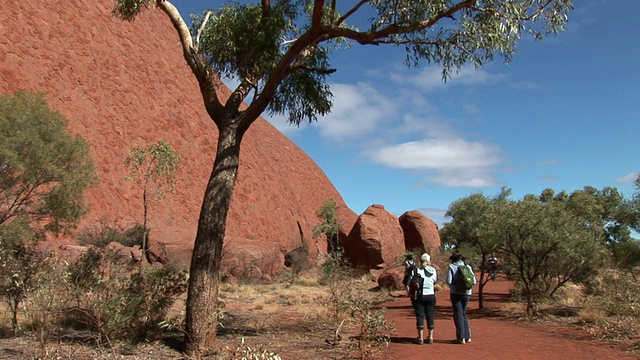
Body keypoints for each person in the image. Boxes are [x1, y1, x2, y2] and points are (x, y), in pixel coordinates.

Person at [405, 253, 437, 345]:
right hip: (430, 295)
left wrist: (409, 294)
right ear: (429, 261)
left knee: (420, 315)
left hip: (419, 296)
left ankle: (420, 337)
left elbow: (408, 284)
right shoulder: (433, 271)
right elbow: (434, 281)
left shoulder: (416, 271)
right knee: (430, 315)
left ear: (420, 261)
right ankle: (430, 337)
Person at [446, 249, 476, 344]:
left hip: (455, 293)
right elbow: (474, 282)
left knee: (458, 314)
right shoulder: (468, 266)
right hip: (467, 293)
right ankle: (468, 337)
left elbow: (448, 281)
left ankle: (461, 337)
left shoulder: (452, 266)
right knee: (463, 313)